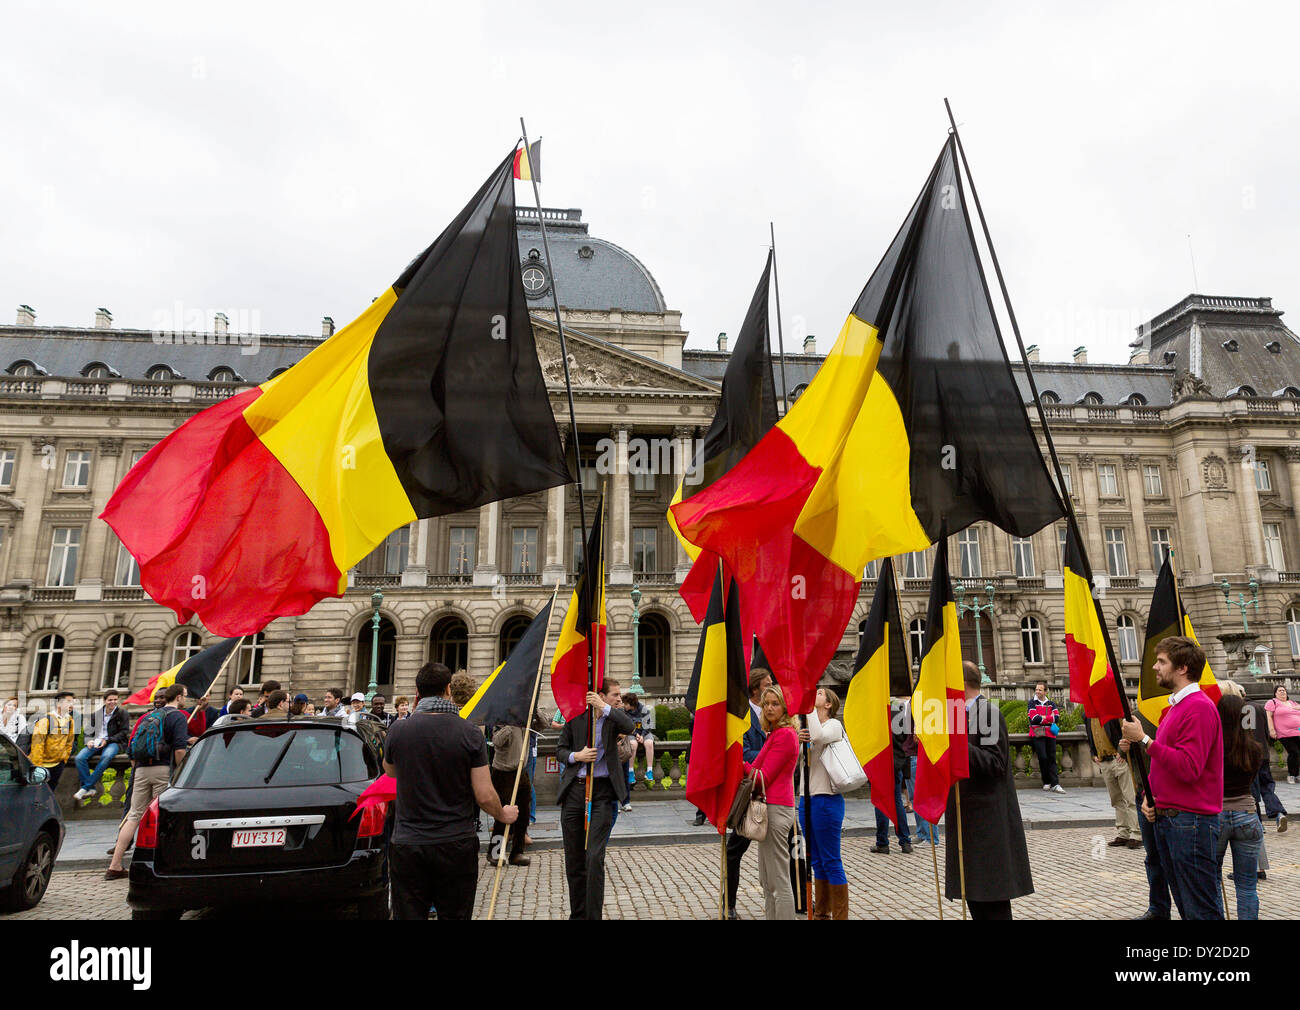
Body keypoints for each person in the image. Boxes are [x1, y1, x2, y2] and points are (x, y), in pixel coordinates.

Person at [383, 662, 517, 920]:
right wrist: (503, 814)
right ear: (448, 690)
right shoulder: (468, 732)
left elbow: (390, 771)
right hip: (455, 842)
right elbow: (484, 794)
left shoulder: (398, 730)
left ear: (417, 693)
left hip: (409, 843)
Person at [1120, 636, 1224, 920]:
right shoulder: (1177, 707)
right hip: (1171, 818)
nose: (1154, 667)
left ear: (1182, 668)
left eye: (1162, 661)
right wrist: (1150, 798)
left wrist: (1144, 740)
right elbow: (1163, 766)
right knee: (1189, 908)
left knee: (1201, 910)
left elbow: (1190, 768)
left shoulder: (1198, 708)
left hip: (1191, 823)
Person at [946, 661, 1034, 920]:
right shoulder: (961, 714)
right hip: (970, 823)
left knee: (992, 904)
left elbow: (995, 763)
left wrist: (956, 741)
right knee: (976, 899)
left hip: (988, 826)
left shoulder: (988, 713)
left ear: (961, 685)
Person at [556, 680, 634, 920]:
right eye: (615, 695)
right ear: (600, 694)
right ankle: (577, 915)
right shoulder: (577, 717)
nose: (619, 699)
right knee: (574, 860)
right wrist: (576, 756)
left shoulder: (613, 719)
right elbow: (560, 749)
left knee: (594, 857)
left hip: (602, 793)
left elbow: (630, 726)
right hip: (575, 792)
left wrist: (606, 707)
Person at [106, 684, 191, 880]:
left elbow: (133, 747)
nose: (186, 699)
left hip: (141, 769)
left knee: (134, 815)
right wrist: (181, 772)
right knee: (161, 817)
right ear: (178, 697)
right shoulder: (178, 716)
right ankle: (160, 864)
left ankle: (115, 865)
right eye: (185, 696)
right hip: (163, 769)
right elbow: (179, 749)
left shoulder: (148, 716)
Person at [742, 686, 799, 921]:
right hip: (770, 808)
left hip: (776, 809)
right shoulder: (775, 734)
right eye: (766, 704)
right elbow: (758, 771)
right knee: (767, 880)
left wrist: (739, 763)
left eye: (775, 703)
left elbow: (762, 778)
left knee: (778, 879)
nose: (769, 708)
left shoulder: (785, 735)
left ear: (785, 707)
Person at [725, 667, 771, 918]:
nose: (771, 688)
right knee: (735, 850)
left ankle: (798, 898)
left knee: (792, 846)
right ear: (755, 689)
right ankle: (729, 903)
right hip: (751, 794)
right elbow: (742, 754)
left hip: (776, 793)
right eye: (767, 684)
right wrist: (770, 756)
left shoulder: (775, 713)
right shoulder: (743, 715)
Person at [800, 686, 849, 919]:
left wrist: (807, 704)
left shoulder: (833, 725)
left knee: (831, 859)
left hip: (827, 800)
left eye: (819, 693)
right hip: (807, 798)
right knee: (816, 859)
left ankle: (839, 915)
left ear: (828, 704)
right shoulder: (805, 724)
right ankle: (821, 913)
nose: (814, 693)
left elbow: (818, 737)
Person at [1217, 693, 1264, 919]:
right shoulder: (1253, 748)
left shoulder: (1212, 748)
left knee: (1212, 880)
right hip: (1247, 814)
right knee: (1247, 887)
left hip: (1216, 815)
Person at [1084, 716, 1140, 849]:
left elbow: (1126, 730)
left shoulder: (1111, 711)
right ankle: (1123, 833)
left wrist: (1122, 752)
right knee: (1116, 800)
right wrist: (1093, 754)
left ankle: (1136, 834)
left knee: (1130, 797)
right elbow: (1090, 736)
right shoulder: (1087, 715)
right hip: (1104, 761)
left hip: (1119, 759)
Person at [869, 696, 913, 855]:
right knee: (897, 802)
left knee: (881, 802)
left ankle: (882, 842)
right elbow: (905, 739)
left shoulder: (878, 711)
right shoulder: (899, 710)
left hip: (882, 762)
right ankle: (905, 841)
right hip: (896, 763)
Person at [1242, 691, 1287, 831]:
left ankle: (1258, 823)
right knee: (1267, 786)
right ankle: (1278, 813)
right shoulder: (1260, 707)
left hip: (1248, 754)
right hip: (1263, 753)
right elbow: (1267, 730)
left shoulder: (1238, 708)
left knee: (1252, 790)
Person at [73, 690, 129, 801]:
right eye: (110, 700)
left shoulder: (122, 714)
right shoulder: (97, 714)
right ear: (104, 701)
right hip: (96, 742)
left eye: (115, 700)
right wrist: (88, 740)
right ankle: (91, 788)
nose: (112, 702)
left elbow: (124, 732)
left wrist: (107, 740)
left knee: (106, 756)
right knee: (79, 758)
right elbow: (88, 730)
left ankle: (85, 787)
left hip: (114, 743)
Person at [489, 722, 531, 866]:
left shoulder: (526, 719)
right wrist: (510, 726)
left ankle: (517, 852)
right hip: (503, 772)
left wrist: (534, 711)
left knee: (524, 814)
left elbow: (543, 724)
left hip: (521, 772)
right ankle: (495, 853)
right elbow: (497, 741)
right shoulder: (500, 722)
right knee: (502, 814)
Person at [903, 699, 938, 845]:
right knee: (915, 797)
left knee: (922, 797)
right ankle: (922, 833)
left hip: (916, 756)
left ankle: (931, 837)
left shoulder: (919, 703)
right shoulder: (912, 703)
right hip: (911, 755)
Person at [28, 691, 77, 790]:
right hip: (42, 765)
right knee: (36, 793)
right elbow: (37, 744)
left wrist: (64, 758)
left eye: (73, 702)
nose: (71, 705)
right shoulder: (46, 720)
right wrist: (37, 766)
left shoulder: (70, 720)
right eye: (68, 702)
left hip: (58, 764)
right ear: (58, 703)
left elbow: (69, 741)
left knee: (50, 792)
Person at [1027, 680, 1064, 793]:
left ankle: (1055, 783)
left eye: (1040, 690)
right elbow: (1034, 718)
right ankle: (1046, 781)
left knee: (1052, 758)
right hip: (1037, 733)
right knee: (1043, 757)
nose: (1037, 691)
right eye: (1036, 689)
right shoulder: (1032, 703)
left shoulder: (1051, 704)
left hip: (1050, 734)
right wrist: (1048, 718)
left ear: (1046, 691)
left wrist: (1042, 718)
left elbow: (1056, 718)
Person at [1265, 685, 1300, 783]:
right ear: (1275, 693)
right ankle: (1291, 775)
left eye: (1284, 690)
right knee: (1294, 752)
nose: (1282, 692)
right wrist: (1271, 730)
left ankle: (1297, 775)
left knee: (1298, 753)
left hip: (1297, 731)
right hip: (1284, 733)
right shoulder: (1273, 702)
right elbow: (1269, 717)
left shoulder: (1292, 702)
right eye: (1280, 691)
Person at [622, 692, 657, 788]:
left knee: (649, 743)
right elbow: (626, 726)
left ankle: (649, 771)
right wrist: (635, 734)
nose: (624, 705)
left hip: (644, 732)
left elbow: (648, 725)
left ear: (630, 704)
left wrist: (642, 735)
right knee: (633, 744)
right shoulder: (624, 712)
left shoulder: (644, 710)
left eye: (625, 703)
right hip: (631, 733)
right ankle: (630, 772)